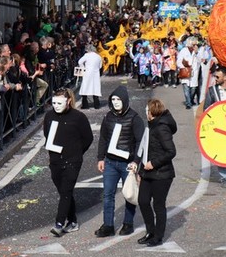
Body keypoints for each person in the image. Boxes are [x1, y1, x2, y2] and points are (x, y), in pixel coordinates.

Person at [95, 86, 146, 237]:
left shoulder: (135, 118)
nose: (116, 102)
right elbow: (103, 138)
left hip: (127, 164)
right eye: (113, 99)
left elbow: (140, 142)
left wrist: (136, 161)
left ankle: (128, 223)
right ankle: (108, 225)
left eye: (118, 99)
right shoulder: (108, 117)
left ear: (124, 100)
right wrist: (100, 158)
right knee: (108, 195)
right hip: (110, 162)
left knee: (129, 194)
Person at [44, 88, 94, 236]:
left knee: (66, 191)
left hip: (72, 161)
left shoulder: (78, 117)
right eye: (54, 103)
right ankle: (72, 221)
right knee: (64, 192)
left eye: (60, 103)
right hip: (55, 160)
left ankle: (59, 223)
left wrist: (76, 152)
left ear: (69, 101)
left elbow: (88, 138)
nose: (56, 106)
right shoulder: (49, 116)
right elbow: (47, 134)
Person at [136, 98, 177, 247]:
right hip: (148, 172)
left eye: (147, 110)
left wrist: (153, 163)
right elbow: (145, 149)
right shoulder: (151, 126)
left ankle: (158, 236)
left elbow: (171, 151)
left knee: (158, 205)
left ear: (152, 112)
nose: (145, 113)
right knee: (143, 201)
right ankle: (150, 231)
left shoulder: (161, 128)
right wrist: (141, 171)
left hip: (162, 174)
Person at [177, 36, 201, 109]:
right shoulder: (183, 51)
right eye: (194, 44)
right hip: (185, 72)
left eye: (196, 44)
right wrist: (184, 67)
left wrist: (196, 53)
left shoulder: (196, 52)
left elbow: (200, 62)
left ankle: (190, 100)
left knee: (193, 88)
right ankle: (188, 103)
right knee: (186, 89)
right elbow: (178, 61)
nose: (195, 46)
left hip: (194, 73)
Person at [77, 44, 102, 109]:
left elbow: (79, 62)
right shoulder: (98, 56)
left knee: (85, 88)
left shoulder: (87, 55)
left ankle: (85, 105)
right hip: (95, 74)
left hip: (87, 73)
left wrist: (83, 67)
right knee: (95, 88)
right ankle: (96, 104)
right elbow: (100, 66)